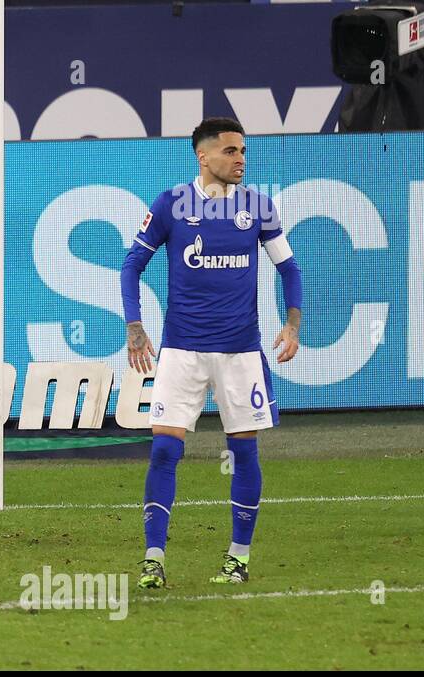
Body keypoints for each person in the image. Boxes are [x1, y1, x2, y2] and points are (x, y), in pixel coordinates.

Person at [121, 117, 303, 587]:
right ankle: (154, 560)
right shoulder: (171, 205)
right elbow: (132, 264)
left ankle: (237, 558)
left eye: (243, 150)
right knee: (163, 449)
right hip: (182, 349)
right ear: (203, 157)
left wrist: (293, 322)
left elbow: (289, 268)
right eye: (231, 151)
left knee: (243, 451)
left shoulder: (257, 208)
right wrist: (135, 327)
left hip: (240, 353)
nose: (241, 159)